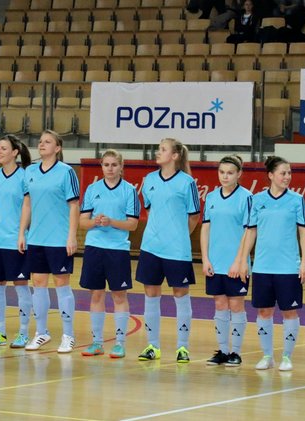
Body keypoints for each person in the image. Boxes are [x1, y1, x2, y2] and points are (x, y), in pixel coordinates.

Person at [236, 156, 305, 371]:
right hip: (262, 267)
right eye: (283, 173)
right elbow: (250, 232)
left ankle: (287, 356)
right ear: (270, 175)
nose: (287, 177)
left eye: (289, 173)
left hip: (288, 267)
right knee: (264, 312)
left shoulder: (297, 200)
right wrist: (243, 260)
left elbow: (304, 233)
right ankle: (267, 355)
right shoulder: (257, 200)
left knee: (289, 312)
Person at [135, 138, 201, 363]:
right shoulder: (149, 179)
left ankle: (183, 347)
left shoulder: (187, 182)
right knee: (151, 295)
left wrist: (180, 235)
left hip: (177, 250)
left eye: (162, 149)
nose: (157, 152)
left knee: (180, 295)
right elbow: (152, 212)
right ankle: (152, 345)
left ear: (174, 156)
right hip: (151, 247)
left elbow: (194, 216)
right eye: (158, 148)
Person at [18, 130, 80, 353]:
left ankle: (68, 335)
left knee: (62, 285)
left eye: (48, 142)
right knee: (39, 284)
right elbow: (27, 203)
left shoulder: (66, 172)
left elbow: (74, 205)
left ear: (58, 148)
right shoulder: (30, 172)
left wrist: (71, 236)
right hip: (36, 238)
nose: (42, 144)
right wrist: (22, 232)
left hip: (59, 239)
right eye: (40, 141)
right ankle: (41, 332)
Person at [78, 149, 139, 359]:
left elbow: (133, 224)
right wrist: (94, 221)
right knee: (96, 294)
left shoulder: (129, 191)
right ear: (101, 166)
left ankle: (120, 343)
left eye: (114, 165)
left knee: (119, 295)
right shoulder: (92, 189)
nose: (110, 169)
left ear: (121, 167)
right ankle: (97, 342)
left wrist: (111, 222)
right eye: (106, 165)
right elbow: (82, 221)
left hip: (118, 250)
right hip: (94, 248)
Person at [0, 135, 34, 348]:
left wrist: (22, 233)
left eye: (4, 148)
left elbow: (27, 207)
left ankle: (23, 333)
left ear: (15, 152)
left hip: (16, 239)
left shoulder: (25, 177)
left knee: (21, 285)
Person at [201, 155, 252, 367]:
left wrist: (239, 261)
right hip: (215, 261)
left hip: (236, 264)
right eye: (222, 172)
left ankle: (236, 352)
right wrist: (205, 258)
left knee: (236, 305)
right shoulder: (211, 197)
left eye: (230, 173)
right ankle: (222, 350)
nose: (225, 176)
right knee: (220, 304)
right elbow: (205, 228)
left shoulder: (247, 197)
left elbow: (249, 231)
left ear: (239, 174)